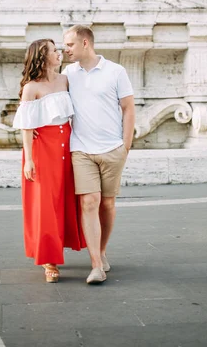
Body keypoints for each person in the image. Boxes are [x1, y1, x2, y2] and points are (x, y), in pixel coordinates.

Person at [63, 25, 135, 284]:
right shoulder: (68, 73)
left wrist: (125, 146)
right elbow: (50, 98)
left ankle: (102, 250)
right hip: (81, 149)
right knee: (89, 202)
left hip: (112, 149)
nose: (66, 49)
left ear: (85, 43)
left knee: (107, 204)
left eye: (70, 44)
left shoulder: (116, 71)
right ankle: (95, 265)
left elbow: (128, 109)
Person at [13, 38, 85, 283]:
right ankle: (48, 261)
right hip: (43, 147)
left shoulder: (65, 79)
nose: (60, 52)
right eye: (55, 50)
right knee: (45, 203)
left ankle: (61, 246)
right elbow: (26, 126)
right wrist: (29, 160)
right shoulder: (31, 87)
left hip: (67, 144)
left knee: (64, 198)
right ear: (42, 57)